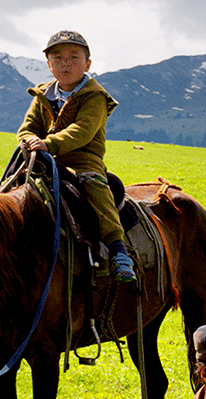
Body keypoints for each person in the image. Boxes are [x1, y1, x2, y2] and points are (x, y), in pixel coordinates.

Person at [17, 29, 136, 285]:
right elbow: (27, 128)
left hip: (82, 161)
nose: (65, 63)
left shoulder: (95, 97)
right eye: (57, 58)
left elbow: (81, 131)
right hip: (41, 159)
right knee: (10, 186)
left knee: (96, 188)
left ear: (87, 64)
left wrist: (48, 144)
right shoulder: (42, 96)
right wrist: (28, 141)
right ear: (49, 65)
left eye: (73, 57)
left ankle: (118, 249)